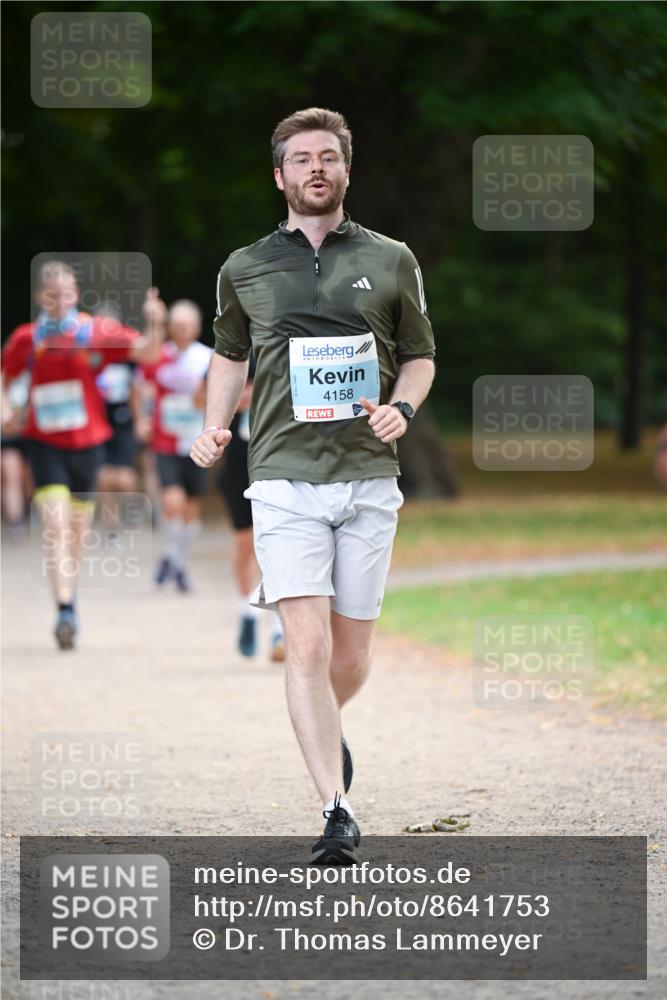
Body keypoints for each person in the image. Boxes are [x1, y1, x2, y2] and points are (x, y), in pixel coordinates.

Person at [191, 107, 435, 863]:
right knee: (305, 643)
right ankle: (336, 808)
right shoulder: (245, 267)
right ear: (280, 176)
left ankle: (326, 725)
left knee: (348, 657)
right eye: (301, 159)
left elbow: (420, 356)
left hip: (367, 474)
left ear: (346, 170)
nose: (315, 168)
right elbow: (228, 355)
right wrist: (214, 424)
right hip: (282, 477)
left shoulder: (392, 258)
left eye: (328, 157)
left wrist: (401, 408)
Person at [1, 261, 166, 649]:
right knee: (55, 526)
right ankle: (63, 609)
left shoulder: (96, 332)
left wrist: (155, 322)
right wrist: (6, 410)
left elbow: (147, 353)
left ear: (76, 295)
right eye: (52, 295)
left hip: (89, 445)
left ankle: (69, 597)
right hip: (44, 444)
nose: (60, 301)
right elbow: (5, 378)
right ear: (40, 297)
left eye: (67, 294)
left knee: (76, 532)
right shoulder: (27, 338)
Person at [142, 300, 212, 592]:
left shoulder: (208, 358)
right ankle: (173, 557)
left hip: (197, 441)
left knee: (190, 509)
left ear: (196, 328)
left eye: (187, 325)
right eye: (177, 324)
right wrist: (142, 418)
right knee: (172, 501)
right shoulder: (159, 354)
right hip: (165, 440)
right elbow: (142, 386)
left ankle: (176, 560)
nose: (182, 330)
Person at [217, 361, 285, 661]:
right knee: (245, 548)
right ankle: (249, 611)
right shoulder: (231, 363)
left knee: (279, 550)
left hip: (275, 476)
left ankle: (280, 629)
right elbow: (202, 399)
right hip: (236, 476)